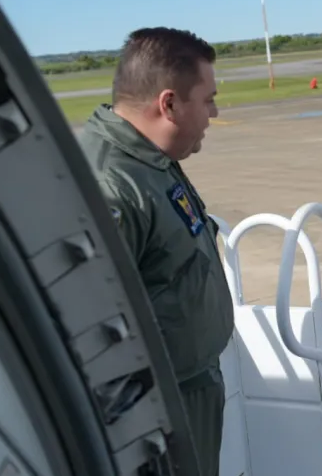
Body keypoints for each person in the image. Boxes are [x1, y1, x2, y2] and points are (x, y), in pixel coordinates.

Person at [76, 27, 233, 476]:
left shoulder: (150, 161)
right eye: (207, 99)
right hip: (159, 413)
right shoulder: (112, 187)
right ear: (168, 104)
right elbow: (93, 336)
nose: (214, 112)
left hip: (190, 390)